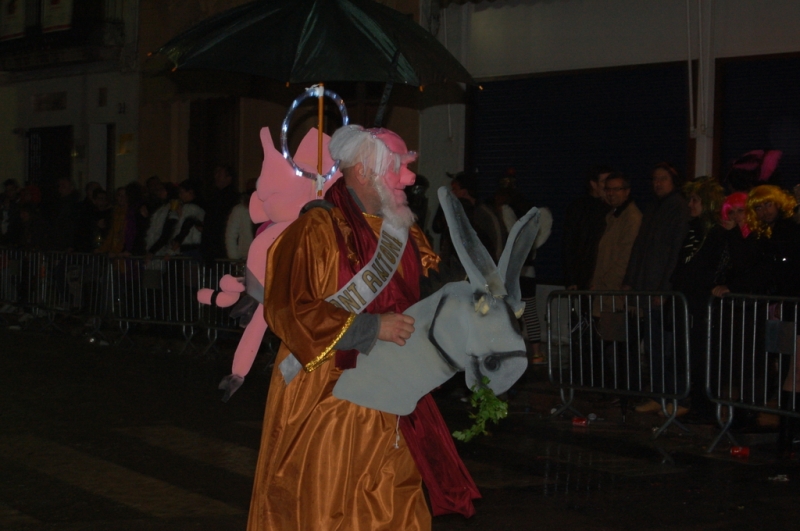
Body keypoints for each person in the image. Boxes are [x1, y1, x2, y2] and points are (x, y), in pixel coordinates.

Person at [248, 125, 479, 530]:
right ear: (361, 171)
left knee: (393, 499)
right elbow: (289, 309)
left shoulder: (405, 231)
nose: (409, 179)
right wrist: (370, 327)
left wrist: (477, 301)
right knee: (328, 500)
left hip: (393, 391)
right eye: (397, 168)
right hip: (327, 394)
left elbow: (435, 290)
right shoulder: (315, 231)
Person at [624, 162, 690, 414]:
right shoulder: (653, 209)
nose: (657, 183)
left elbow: (675, 253)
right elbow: (640, 248)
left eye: (663, 178)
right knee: (653, 347)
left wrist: (665, 289)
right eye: (654, 179)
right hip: (647, 287)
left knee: (668, 348)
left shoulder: (678, 208)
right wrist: (631, 280)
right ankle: (658, 393)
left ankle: (676, 397)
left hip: (662, 292)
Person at [669, 177, 727, 420]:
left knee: (705, 357)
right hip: (689, 302)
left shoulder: (716, 233)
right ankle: (697, 404)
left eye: (695, 200)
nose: (691, 204)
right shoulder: (694, 230)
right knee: (691, 355)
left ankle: (706, 406)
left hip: (705, 305)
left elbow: (714, 267)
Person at [563, 165, 612, 290]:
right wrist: (571, 279)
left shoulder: (613, 209)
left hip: (605, 274)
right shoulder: (578, 208)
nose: (608, 185)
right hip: (584, 275)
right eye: (604, 181)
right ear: (593, 184)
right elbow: (569, 244)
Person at [201, 165, 240, 262]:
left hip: (221, 247)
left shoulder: (231, 198)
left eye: (220, 174)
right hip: (213, 247)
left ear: (228, 178)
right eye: (216, 174)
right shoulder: (215, 196)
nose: (216, 177)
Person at [224, 190, 254, 260]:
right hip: (245, 257)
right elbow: (230, 235)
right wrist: (234, 259)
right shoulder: (240, 210)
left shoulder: (269, 208)